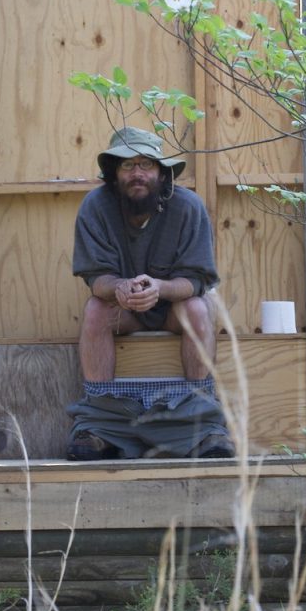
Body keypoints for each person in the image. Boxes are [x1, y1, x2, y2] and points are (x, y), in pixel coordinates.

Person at [67, 126, 235, 461]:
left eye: (146, 164)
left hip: (173, 309)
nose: (137, 173)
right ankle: (98, 426)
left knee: (198, 308)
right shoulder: (95, 206)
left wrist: (159, 289)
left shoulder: (188, 207)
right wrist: (120, 289)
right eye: (127, 166)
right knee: (95, 309)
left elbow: (198, 280)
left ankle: (204, 427)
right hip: (122, 309)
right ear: (114, 174)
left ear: (162, 173)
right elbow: (95, 277)